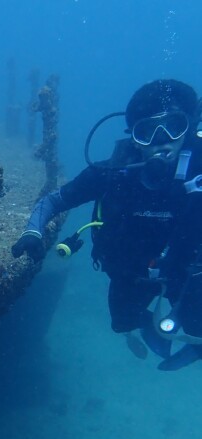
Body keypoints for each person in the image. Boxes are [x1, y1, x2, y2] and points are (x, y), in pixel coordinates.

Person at [12, 78, 202, 371]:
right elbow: (52, 202)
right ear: (134, 139)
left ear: (189, 128)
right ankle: (142, 326)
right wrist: (32, 232)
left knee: (197, 326)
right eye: (147, 132)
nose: (162, 141)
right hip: (129, 273)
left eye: (174, 127)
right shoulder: (112, 175)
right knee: (122, 321)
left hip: (184, 273)